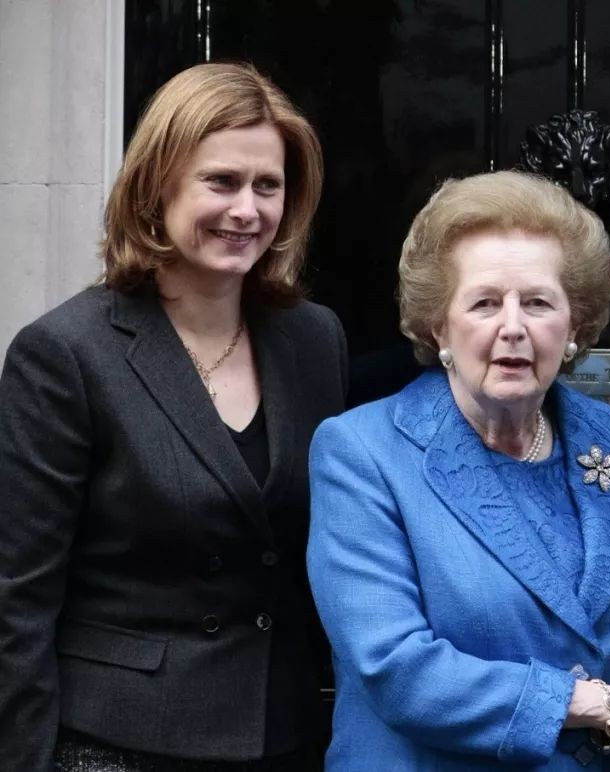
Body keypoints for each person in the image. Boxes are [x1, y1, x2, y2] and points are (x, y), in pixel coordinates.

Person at [0, 63, 347, 770]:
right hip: (116, 743)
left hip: (284, 735)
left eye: (268, 185)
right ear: (157, 185)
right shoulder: (65, 353)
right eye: (221, 181)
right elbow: (17, 601)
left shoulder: (315, 339)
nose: (247, 210)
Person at [306, 170, 610, 771]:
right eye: (485, 303)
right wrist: (597, 705)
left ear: (574, 326)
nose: (513, 327)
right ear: (439, 325)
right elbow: (397, 670)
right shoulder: (362, 453)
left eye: (538, 303)